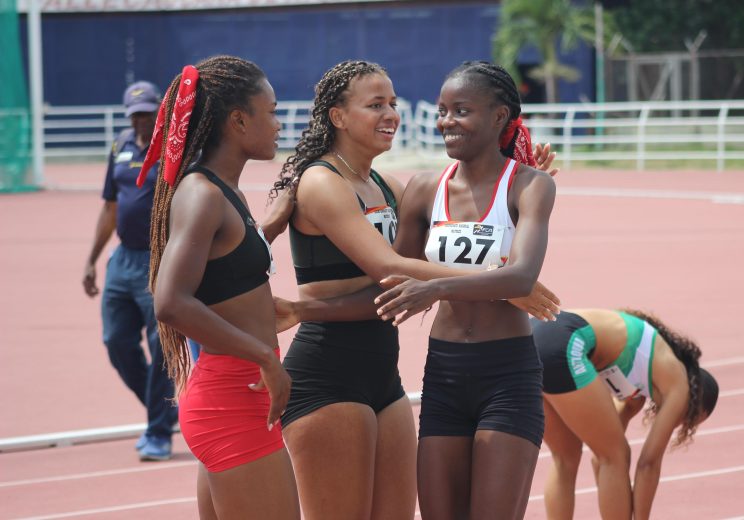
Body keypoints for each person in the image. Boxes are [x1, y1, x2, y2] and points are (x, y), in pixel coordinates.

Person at [266, 59, 559, 520]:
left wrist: (519, 181)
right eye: (375, 104)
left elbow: (440, 258)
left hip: (399, 377)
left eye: (393, 103)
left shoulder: (390, 186)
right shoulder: (329, 181)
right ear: (338, 116)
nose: (392, 114)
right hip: (340, 373)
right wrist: (492, 285)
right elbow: (392, 271)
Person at [373, 60, 557, 520]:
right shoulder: (423, 190)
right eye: (441, 111)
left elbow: (520, 279)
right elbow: (396, 274)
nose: (446, 122)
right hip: (445, 375)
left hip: (507, 375)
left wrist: (433, 289)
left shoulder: (531, 186)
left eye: (461, 111)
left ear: (499, 117)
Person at [142, 55, 299, 519]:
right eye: (269, 111)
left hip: (239, 396)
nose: (277, 122)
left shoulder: (222, 190)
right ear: (237, 120)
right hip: (231, 397)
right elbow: (170, 302)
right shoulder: (203, 194)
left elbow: (226, 273)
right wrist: (263, 354)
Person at [529, 309, 720, 520]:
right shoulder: (679, 384)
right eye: (688, 419)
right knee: (616, 455)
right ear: (693, 399)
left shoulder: (636, 393)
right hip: (564, 342)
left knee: (566, 457)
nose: (677, 424)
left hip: (531, 338)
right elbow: (647, 464)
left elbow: (599, 458)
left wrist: (609, 460)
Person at [82, 80, 176, 461]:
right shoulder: (119, 146)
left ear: (161, 112)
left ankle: (158, 432)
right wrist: (91, 259)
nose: (142, 121)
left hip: (160, 260)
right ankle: (165, 411)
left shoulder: (175, 149)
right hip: (123, 260)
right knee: (116, 342)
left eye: (149, 113)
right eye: (136, 115)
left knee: (160, 347)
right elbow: (110, 207)